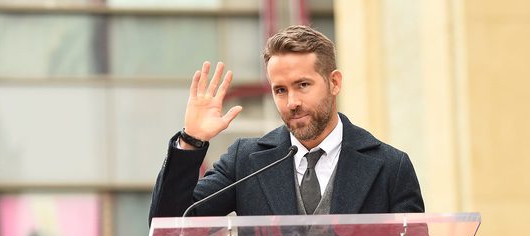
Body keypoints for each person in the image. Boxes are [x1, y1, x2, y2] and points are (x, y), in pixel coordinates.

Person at [148, 25, 424, 224]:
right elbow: (170, 229)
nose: (292, 102)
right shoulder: (245, 160)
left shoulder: (391, 166)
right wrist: (191, 140)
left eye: (303, 85)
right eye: (280, 90)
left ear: (334, 82)